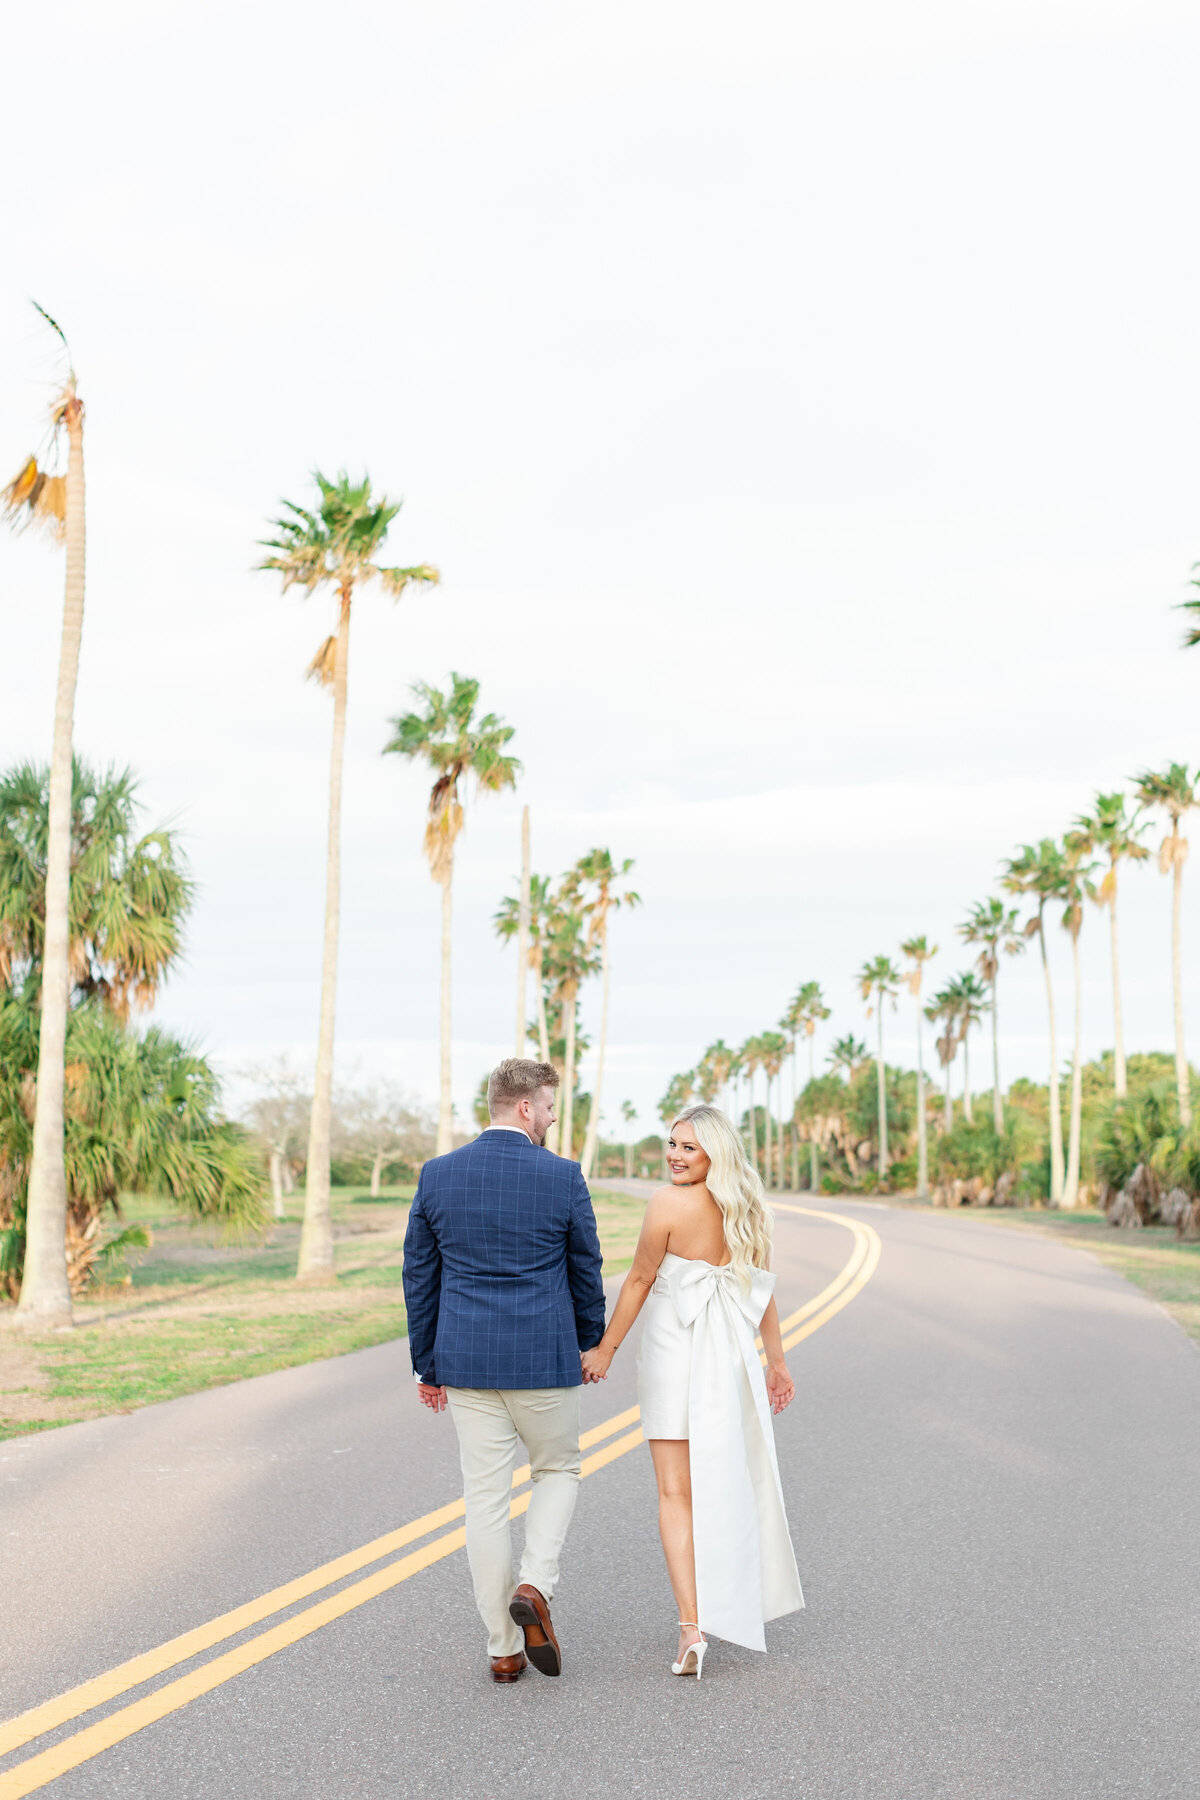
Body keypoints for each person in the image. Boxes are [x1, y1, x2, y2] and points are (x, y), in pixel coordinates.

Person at [402, 1057, 605, 1684]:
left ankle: (503, 1648)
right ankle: (535, 1586)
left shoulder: (438, 1176)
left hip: (466, 1362)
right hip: (543, 1360)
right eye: (547, 1108)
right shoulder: (563, 1177)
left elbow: (419, 1276)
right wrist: (591, 1341)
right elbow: (585, 1269)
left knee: (486, 1501)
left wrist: (426, 1366)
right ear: (525, 1107)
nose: (549, 1119)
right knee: (559, 1470)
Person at [581, 1103, 803, 1676]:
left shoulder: (666, 1204)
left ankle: (691, 1628)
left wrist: (606, 1349)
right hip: (727, 1352)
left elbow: (639, 1278)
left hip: (675, 1351)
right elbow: (762, 1289)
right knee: (723, 1482)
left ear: (715, 1154)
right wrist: (775, 1361)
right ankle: (723, 1608)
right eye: (673, 1144)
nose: (675, 1156)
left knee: (675, 1493)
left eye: (689, 1148)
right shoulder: (748, 1207)